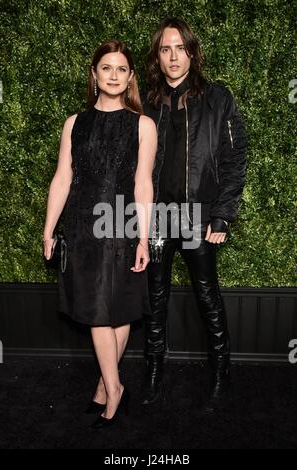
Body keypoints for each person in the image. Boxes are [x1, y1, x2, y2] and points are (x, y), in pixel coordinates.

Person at [43, 39, 157, 428]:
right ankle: (114, 386)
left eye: (121, 69)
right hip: (82, 227)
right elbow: (62, 179)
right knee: (96, 310)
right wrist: (48, 230)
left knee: (119, 306)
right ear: (94, 74)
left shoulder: (143, 124)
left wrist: (144, 238)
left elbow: (144, 184)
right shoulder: (74, 123)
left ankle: (107, 387)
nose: (113, 75)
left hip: (123, 224)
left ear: (130, 78)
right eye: (106, 68)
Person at [141, 17, 248, 411]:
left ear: (191, 52)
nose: (173, 56)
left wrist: (221, 215)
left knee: (207, 297)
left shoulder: (217, 97)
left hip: (198, 217)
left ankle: (221, 375)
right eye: (165, 48)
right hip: (154, 217)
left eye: (180, 48)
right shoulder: (146, 101)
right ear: (158, 54)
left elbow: (235, 158)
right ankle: (152, 374)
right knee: (154, 298)